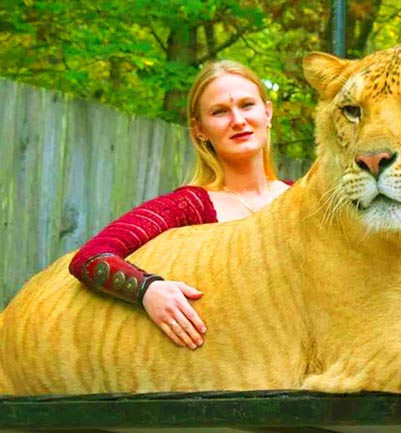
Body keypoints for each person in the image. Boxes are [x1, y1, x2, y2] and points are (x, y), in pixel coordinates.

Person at [69, 60, 291, 350]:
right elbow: (90, 258)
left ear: (268, 113)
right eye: (219, 112)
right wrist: (148, 290)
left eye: (247, 105)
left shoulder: (304, 199)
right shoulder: (187, 205)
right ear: (199, 130)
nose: (237, 120)